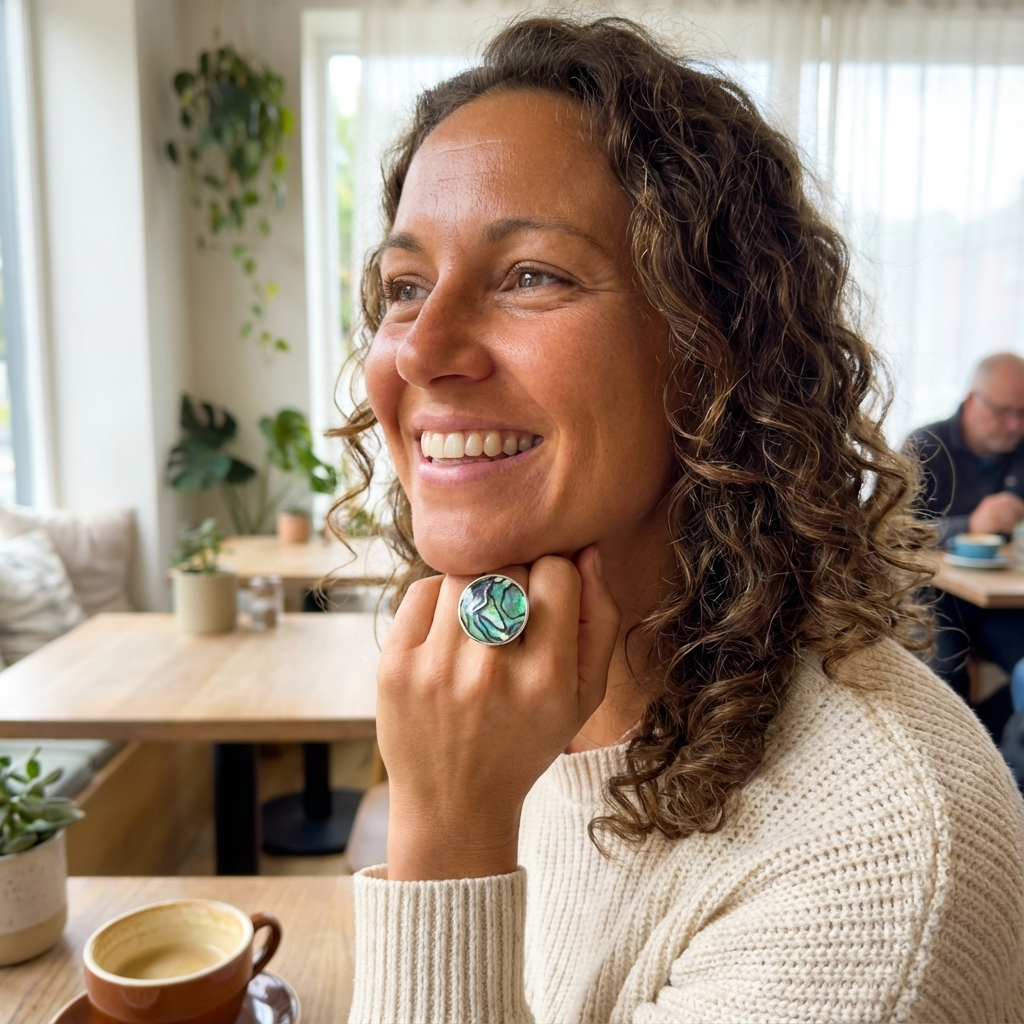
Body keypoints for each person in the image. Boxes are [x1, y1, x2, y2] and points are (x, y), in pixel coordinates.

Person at [333, 16, 1024, 1023]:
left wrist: (443, 846)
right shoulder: (518, 697)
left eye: (531, 274)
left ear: (711, 348)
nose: (421, 348)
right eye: (405, 286)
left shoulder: (873, 867)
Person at [905, 353, 1024, 741]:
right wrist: (970, 525)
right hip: (932, 592)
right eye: (1004, 412)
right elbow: (889, 531)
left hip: (1002, 598)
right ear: (972, 401)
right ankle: (959, 751)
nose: (1014, 425)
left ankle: (993, 744)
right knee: (944, 673)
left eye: (1023, 414)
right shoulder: (924, 446)